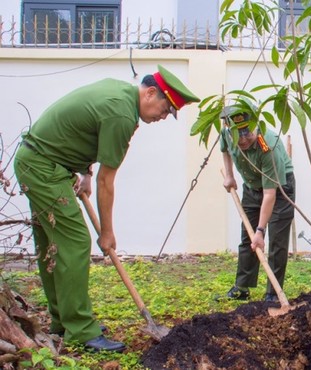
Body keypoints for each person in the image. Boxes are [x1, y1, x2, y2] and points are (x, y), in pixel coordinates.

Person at [13, 65, 200, 352]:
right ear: (151, 93)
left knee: (53, 244)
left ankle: (63, 320)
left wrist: (84, 172)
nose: (164, 117)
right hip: (44, 167)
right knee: (75, 241)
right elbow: (106, 181)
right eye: (165, 109)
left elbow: (85, 133)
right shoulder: (121, 114)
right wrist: (108, 233)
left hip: (40, 161)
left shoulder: (119, 93)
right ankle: (80, 329)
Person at [216, 106, 296, 303]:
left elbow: (270, 194)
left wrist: (260, 230)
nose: (242, 140)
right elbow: (225, 149)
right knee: (248, 238)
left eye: (247, 134)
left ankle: (273, 293)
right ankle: (242, 287)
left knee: (276, 240)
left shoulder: (268, 146)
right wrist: (229, 175)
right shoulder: (227, 134)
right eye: (238, 135)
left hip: (279, 188)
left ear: (255, 126)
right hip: (252, 186)